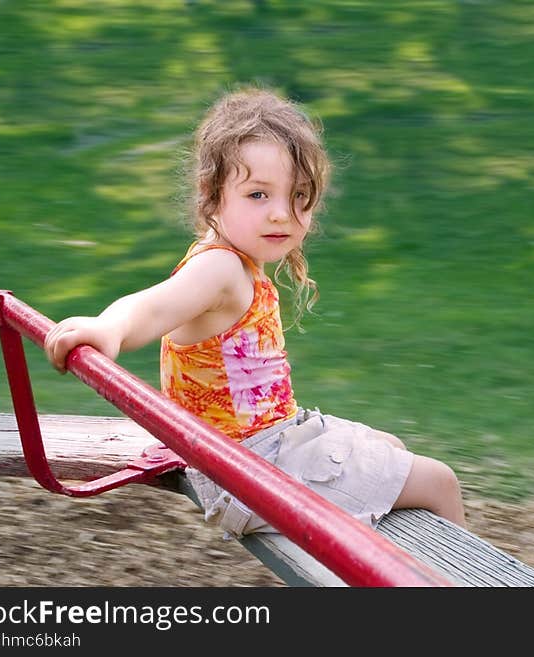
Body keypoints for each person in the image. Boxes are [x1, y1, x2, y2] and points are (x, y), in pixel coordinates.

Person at [44, 87, 466, 536]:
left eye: (299, 195)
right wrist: (109, 328)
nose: (282, 215)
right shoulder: (219, 266)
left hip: (259, 450)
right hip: (251, 470)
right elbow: (151, 306)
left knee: (391, 447)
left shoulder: (234, 260)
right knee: (440, 482)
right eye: (259, 195)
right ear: (213, 193)